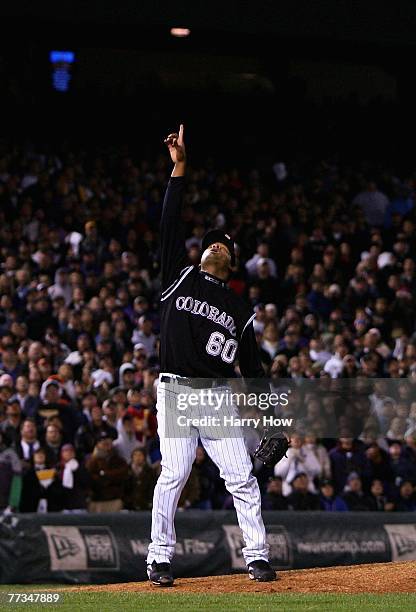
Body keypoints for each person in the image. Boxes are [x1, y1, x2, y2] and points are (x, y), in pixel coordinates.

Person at [147, 126, 276, 586]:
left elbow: (254, 371)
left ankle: (257, 556)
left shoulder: (241, 307)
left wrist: (272, 423)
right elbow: (169, 222)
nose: (216, 243)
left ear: (233, 261)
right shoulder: (178, 278)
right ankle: (159, 558)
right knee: (175, 474)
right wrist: (179, 168)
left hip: (219, 397)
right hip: (178, 391)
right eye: (210, 241)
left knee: (242, 476)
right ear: (200, 254)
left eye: (224, 243)